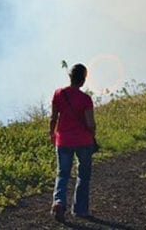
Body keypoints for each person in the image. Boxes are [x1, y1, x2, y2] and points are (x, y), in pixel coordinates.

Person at [49, 63, 97, 222]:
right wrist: (93, 136)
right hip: (83, 140)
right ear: (83, 80)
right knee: (83, 175)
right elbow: (90, 123)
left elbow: (53, 118)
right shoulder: (85, 99)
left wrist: (52, 134)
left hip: (63, 140)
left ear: (70, 77)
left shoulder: (59, 94)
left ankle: (59, 202)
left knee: (62, 173)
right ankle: (80, 209)